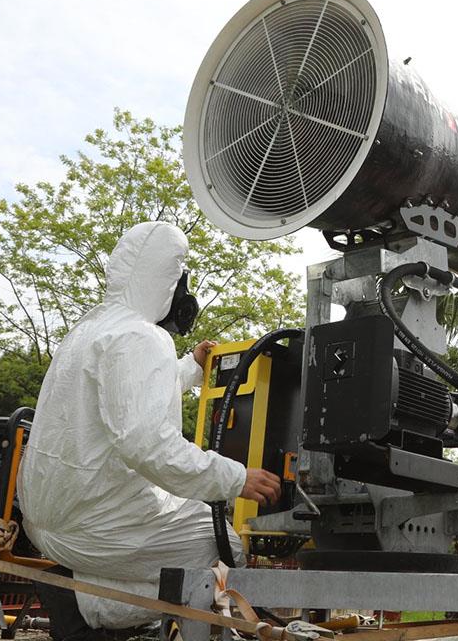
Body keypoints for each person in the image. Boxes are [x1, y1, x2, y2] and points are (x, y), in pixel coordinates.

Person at [19, 222, 281, 636]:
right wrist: (236, 478)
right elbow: (148, 444)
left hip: (45, 521)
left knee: (184, 539)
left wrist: (191, 368)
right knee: (223, 547)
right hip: (96, 526)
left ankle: (85, 596)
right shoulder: (143, 337)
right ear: (165, 280)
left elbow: (126, 399)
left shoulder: (90, 331)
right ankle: (90, 606)